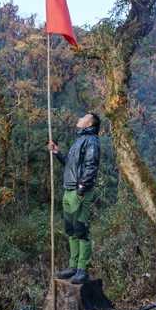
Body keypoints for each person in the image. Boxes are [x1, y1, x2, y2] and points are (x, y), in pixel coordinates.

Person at [48, 113, 100, 284]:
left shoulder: (91, 140)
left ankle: (83, 269)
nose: (79, 118)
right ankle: (73, 266)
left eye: (84, 117)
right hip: (69, 190)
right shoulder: (79, 141)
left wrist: (82, 188)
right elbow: (72, 167)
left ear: (89, 124)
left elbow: (92, 166)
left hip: (79, 192)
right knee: (71, 230)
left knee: (81, 229)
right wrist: (58, 154)